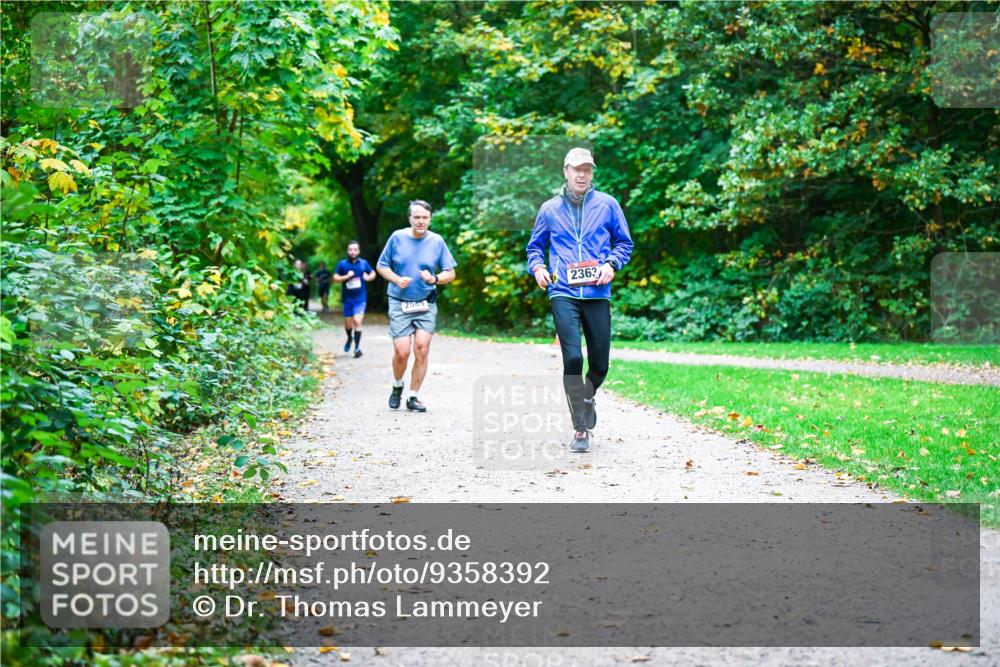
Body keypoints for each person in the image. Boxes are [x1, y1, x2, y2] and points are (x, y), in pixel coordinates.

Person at [525, 147, 633, 453]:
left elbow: (624, 243)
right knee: (573, 357)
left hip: (597, 291)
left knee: (600, 363)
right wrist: (538, 267)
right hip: (563, 292)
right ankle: (580, 428)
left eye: (587, 169)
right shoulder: (549, 209)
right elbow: (534, 247)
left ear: (592, 172)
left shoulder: (608, 205)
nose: (582, 174)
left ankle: (587, 395)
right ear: (566, 171)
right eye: (576, 169)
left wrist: (611, 264)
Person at [376, 200, 457, 412]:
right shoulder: (397, 237)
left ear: (430, 219)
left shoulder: (436, 241)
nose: (421, 221)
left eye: (425, 217)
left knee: (422, 348)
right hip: (400, 302)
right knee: (402, 352)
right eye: (417, 217)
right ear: (410, 218)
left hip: (425, 303)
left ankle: (413, 396)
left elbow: (451, 272)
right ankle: (397, 385)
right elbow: (381, 265)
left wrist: (434, 279)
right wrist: (395, 279)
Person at [333, 241, 375, 357]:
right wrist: (346, 276)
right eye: (350, 249)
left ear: (359, 251)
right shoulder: (342, 264)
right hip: (347, 299)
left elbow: (373, 273)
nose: (353, 252)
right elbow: (335, 278)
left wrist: (369, 277)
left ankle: (357, 348)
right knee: (348, 324)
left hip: (360, 298)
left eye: (355, 249)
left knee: (357, 321)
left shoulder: (363, 263)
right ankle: (349, 338)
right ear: (348, 251)